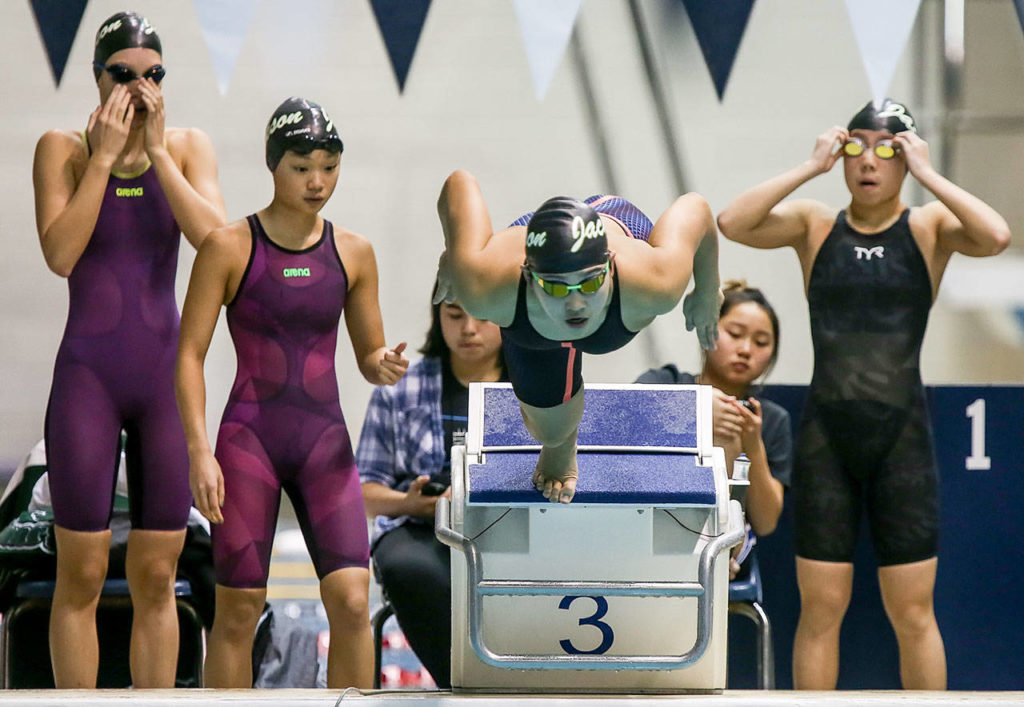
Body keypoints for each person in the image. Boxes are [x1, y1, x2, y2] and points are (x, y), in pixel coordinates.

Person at [717, 99, 1011, 690]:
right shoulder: (815, 224)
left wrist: (928, 173)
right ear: (842, 155)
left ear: (904, 158)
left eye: (887, 149)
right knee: (820, 613)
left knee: (914, 614)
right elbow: (732, 222)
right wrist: (809, 165)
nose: (868, 162)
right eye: (857, 147)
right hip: (828, 440)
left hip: (902, 441)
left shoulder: (928, 229)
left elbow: (997, 235)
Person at [175, 97, 409, 689]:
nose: (317, 181)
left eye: (329, 166)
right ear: (272, 164)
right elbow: (188, 355)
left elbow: (367, 354)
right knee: (236, 612)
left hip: (322, 444)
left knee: (355, 601)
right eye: (302, 166)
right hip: (247, 440)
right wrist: (200, 452)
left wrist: (383, 365)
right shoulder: (228, 247)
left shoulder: (353, 252)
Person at [32, 11, 225, 688]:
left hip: (162, 380)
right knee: (79, 572)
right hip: (88, 375)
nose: (139, 89)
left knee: (156, 573)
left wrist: (160, 155)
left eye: (153, 75)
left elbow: (216, 243)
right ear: (97, 77)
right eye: (124, 75)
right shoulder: (63, 148)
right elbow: (60, 254)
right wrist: (108, 159)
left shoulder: (190, 145)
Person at [434, 169, 721, 504]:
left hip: (614, 221)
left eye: (588, 283)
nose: (575, 303)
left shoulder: (653, 281)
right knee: (550, 431)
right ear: (528, 276)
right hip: (520, 253)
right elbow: (459, 182)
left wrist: (707, 290)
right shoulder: (487, 287)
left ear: (609, 265)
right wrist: (454, 254)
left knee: (552, 416)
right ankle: (560, 443)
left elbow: (696, 208)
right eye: (556, 288)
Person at [357, 291, 507, 688]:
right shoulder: (400, 388)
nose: (468, 329)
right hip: (419, 528)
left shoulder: (537, 394)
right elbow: (362, 492)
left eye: (482, 316)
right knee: (410, 569)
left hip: (508, 530)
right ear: (437, 318)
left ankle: (515, 682)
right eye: (454, 316)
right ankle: (464, 685)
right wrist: (412, 503)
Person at [636, 280, 790, 578]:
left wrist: (752, 443)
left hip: (728, 548)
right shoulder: (665, 383)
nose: (746, 350)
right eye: (734, 334)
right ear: (708, 328)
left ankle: (713, 554)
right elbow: (624, 421)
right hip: (650, 529)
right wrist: (697, 412)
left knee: (728, 435)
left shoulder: (771, 418)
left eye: (760, 343)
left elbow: (767, 521)